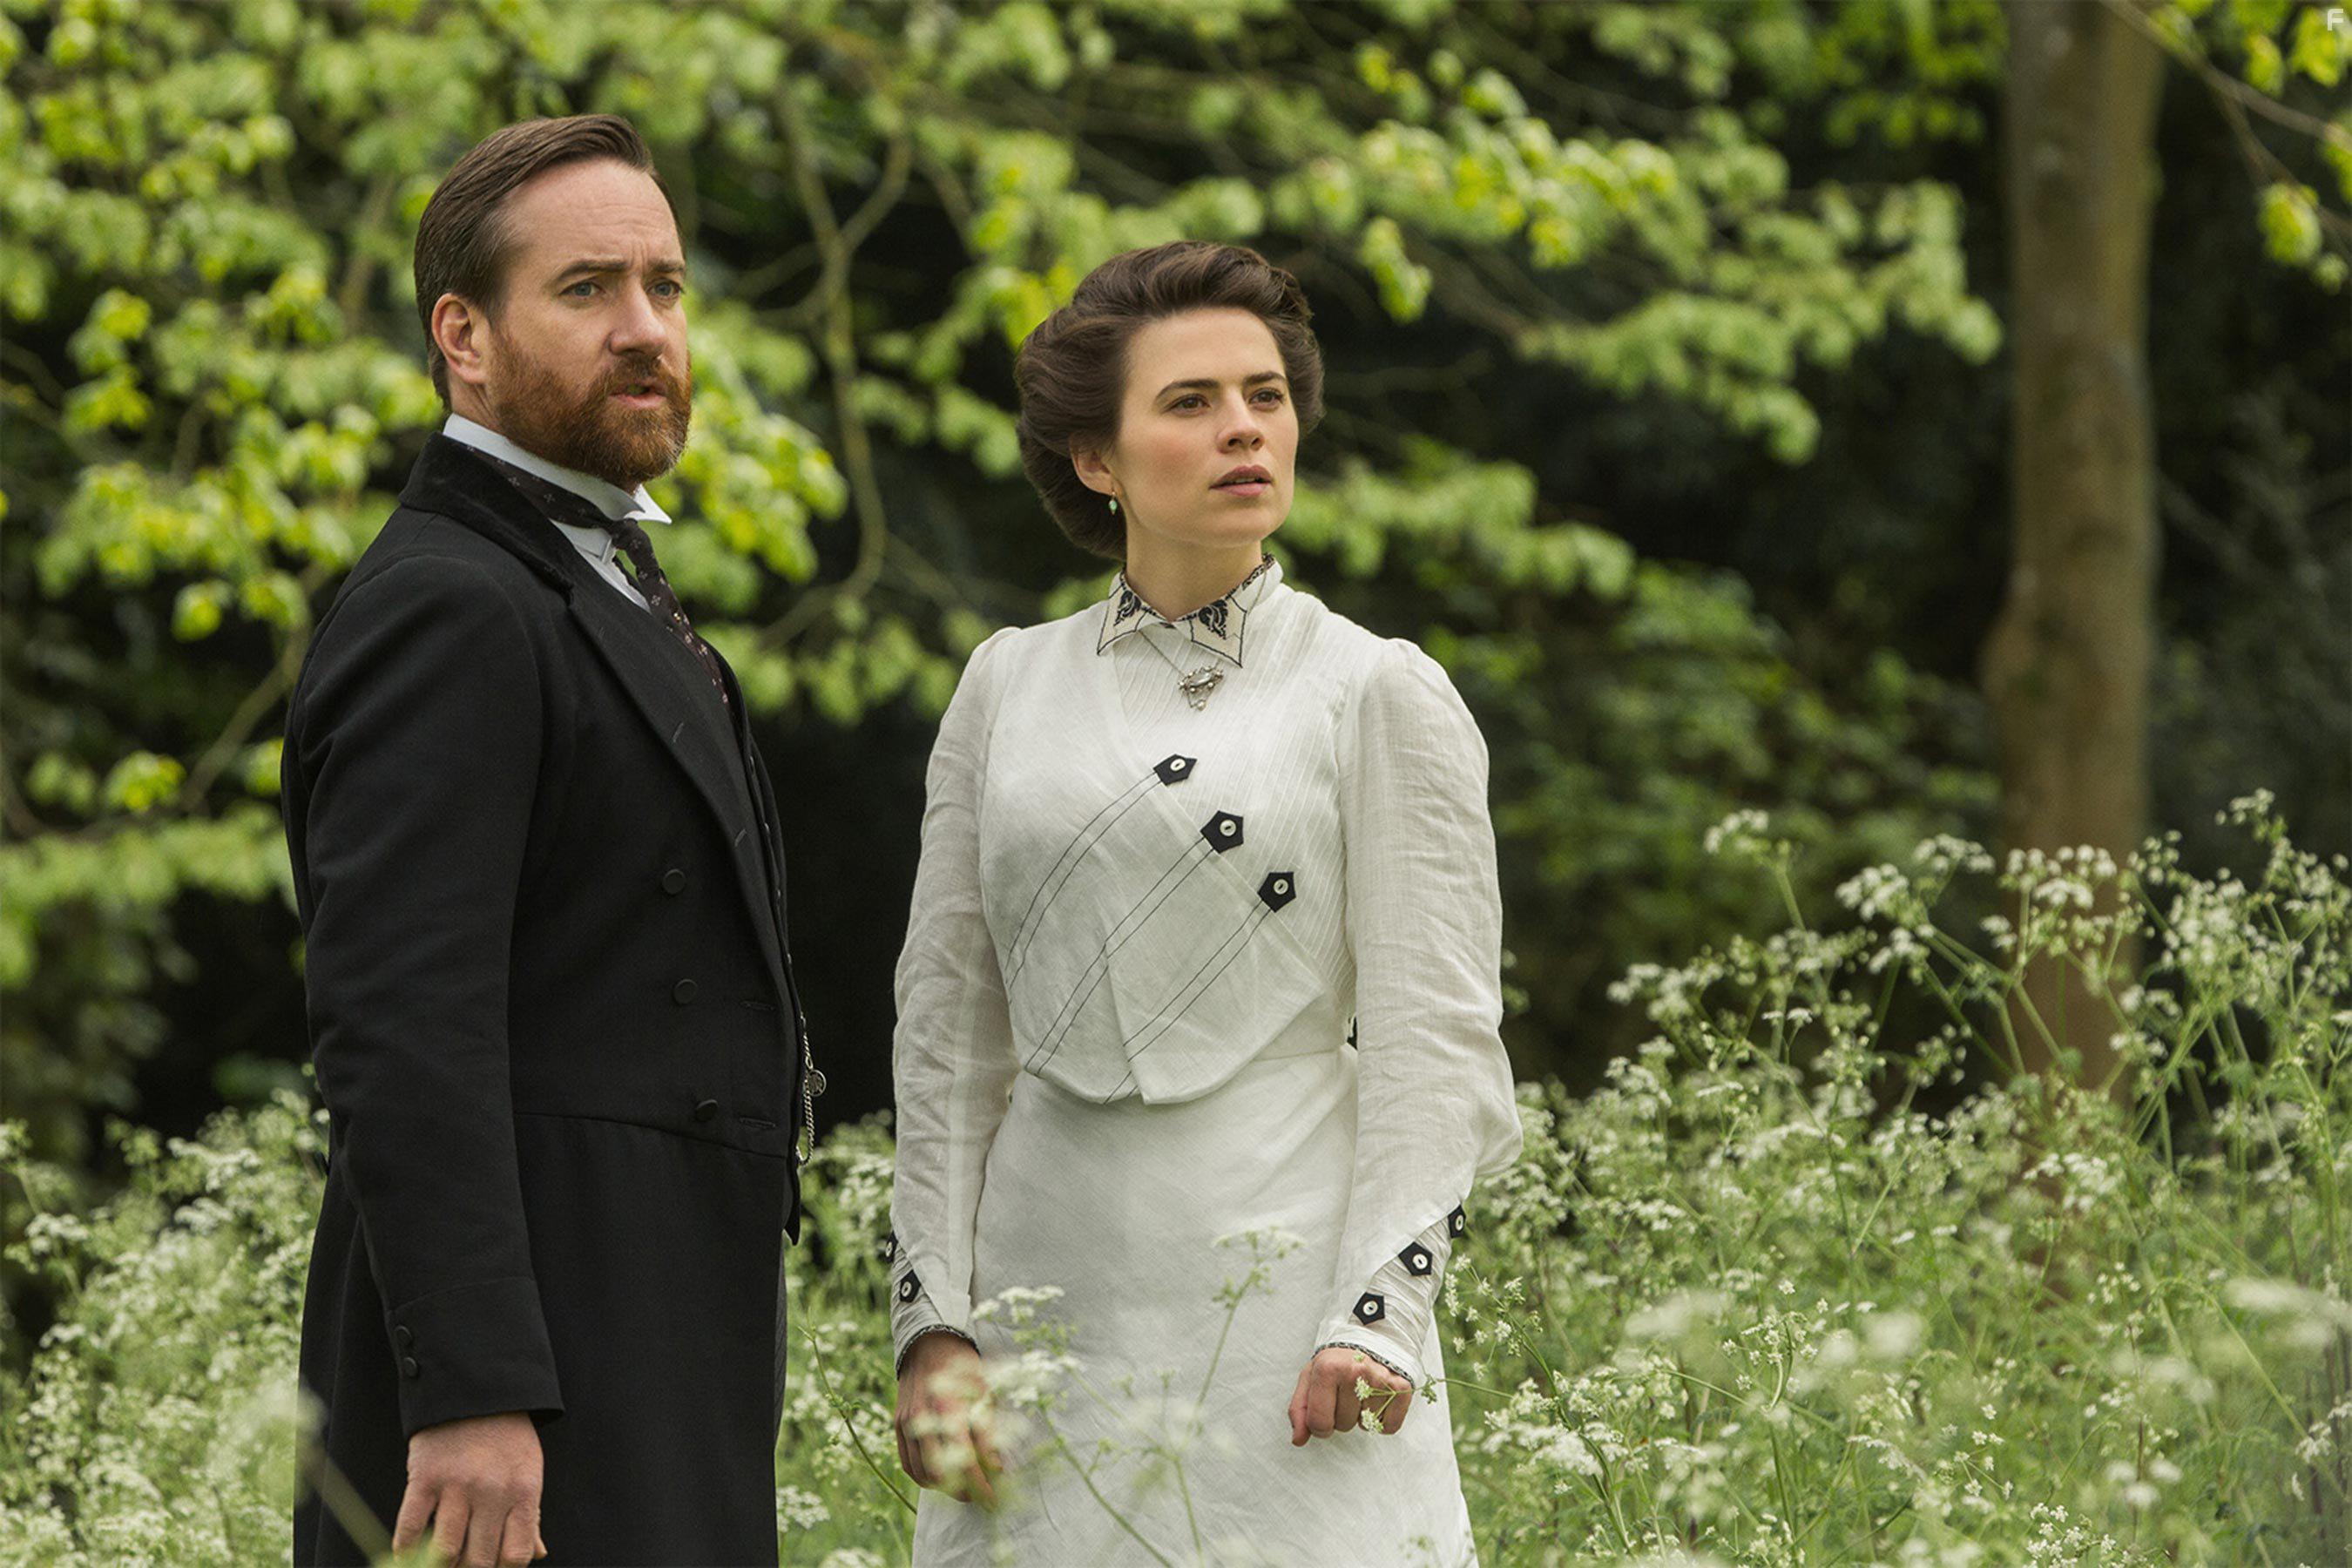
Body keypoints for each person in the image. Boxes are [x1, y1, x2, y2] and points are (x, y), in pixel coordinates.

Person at [885, 240, 1524, 1565]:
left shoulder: (1376, 691)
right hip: (1042, 1304)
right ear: (1095, 460)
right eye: (1190, 402)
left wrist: (1377, 1314)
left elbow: (1435, 1040)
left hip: (1288, 1310)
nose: (1245, 425)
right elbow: (949, 1039)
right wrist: (934, 1325)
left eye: (1266, 395)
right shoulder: (1004, 686)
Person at [283, 114, 818, 1567]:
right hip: (529, 1373)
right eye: (588, 290)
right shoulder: (453, 603)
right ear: (464, 336)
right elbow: (401, 1022)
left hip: (643, 1319)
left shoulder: (587, 575)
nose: (646, 330)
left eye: (666, 287)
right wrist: (469, 1392)